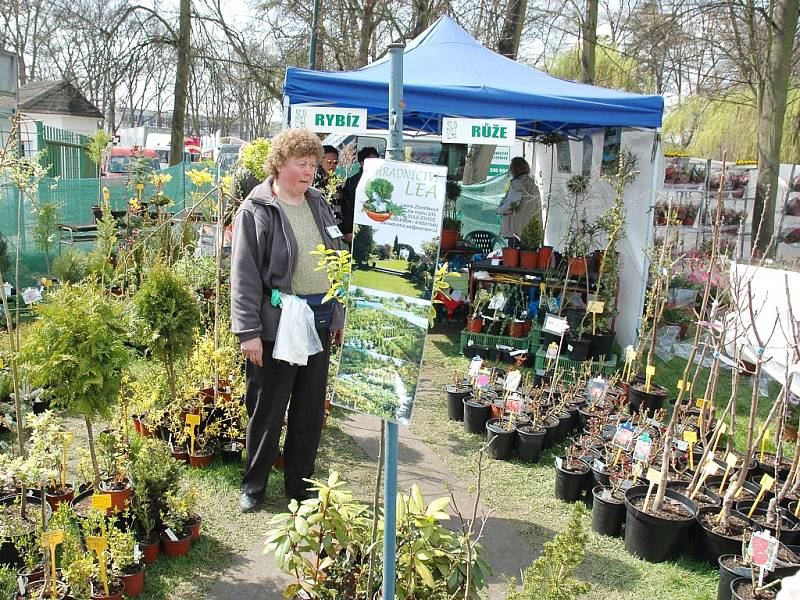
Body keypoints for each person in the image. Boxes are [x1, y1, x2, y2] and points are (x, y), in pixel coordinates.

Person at [230, 128, 345, 513]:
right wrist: (248, 332)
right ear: (279, 165)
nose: (310, 171)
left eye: (313, 164)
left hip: (320, 318)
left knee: (309, 409)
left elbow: (337, 261)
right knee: (268, 407)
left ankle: (300, 484)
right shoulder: (257, 209)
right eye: (302, 164)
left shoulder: (319, 204)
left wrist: (338, 313)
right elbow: (244, 274)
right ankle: (254, 485)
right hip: (278, 325)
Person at [496, 156, 543, 242]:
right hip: (531, 230)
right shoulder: (531, 183)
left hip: (516, 231)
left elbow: (512, 205)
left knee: (514, 254)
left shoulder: (517, 183)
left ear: (514, 169)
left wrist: (499, 210)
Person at [340, 146, 380, 244]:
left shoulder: (380, 180)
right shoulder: (354, 181)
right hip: (356, 228)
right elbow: (348, 207)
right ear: (362, 163)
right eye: (371, 161)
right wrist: (348, 230)